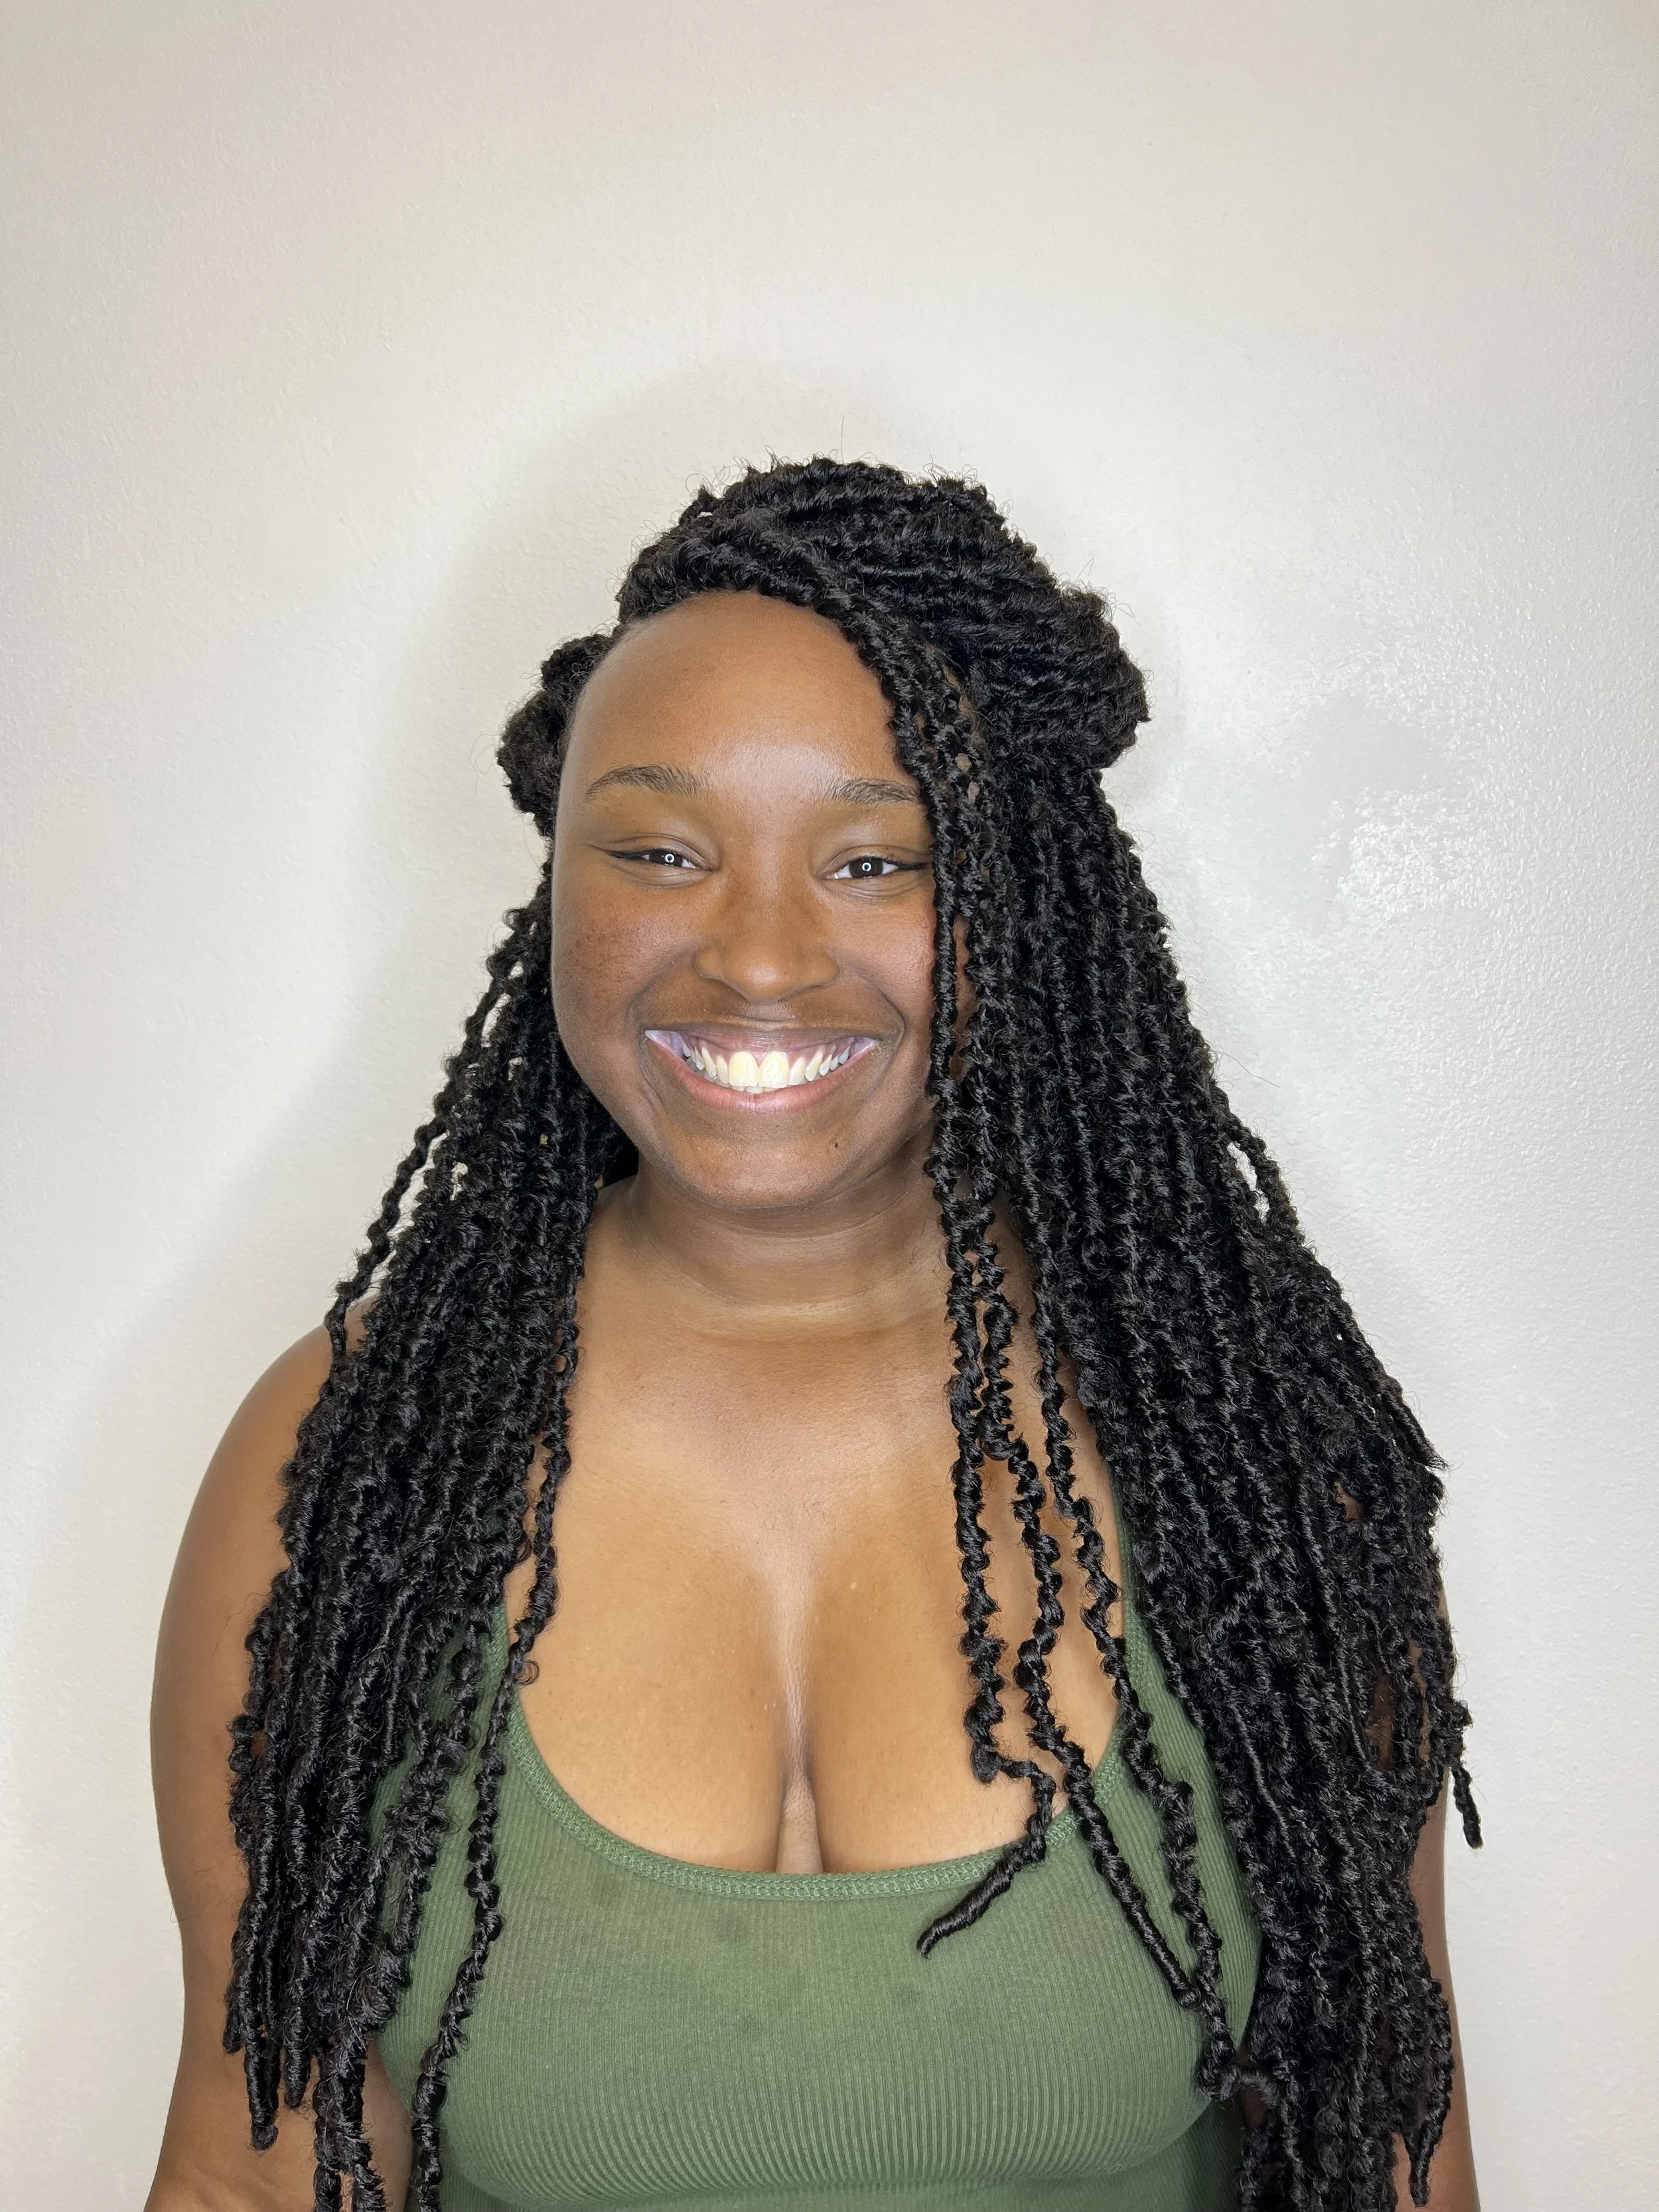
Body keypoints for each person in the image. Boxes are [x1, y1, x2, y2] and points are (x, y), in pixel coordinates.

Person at [146, 459, 1480, 2212]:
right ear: (557, 883)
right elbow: (251, 2177)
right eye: (660, 851)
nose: (761, 959)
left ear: (1022, 901)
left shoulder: (1247, 1453)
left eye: (874, 860)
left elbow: (1390, 2164)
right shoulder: (352, 1453)